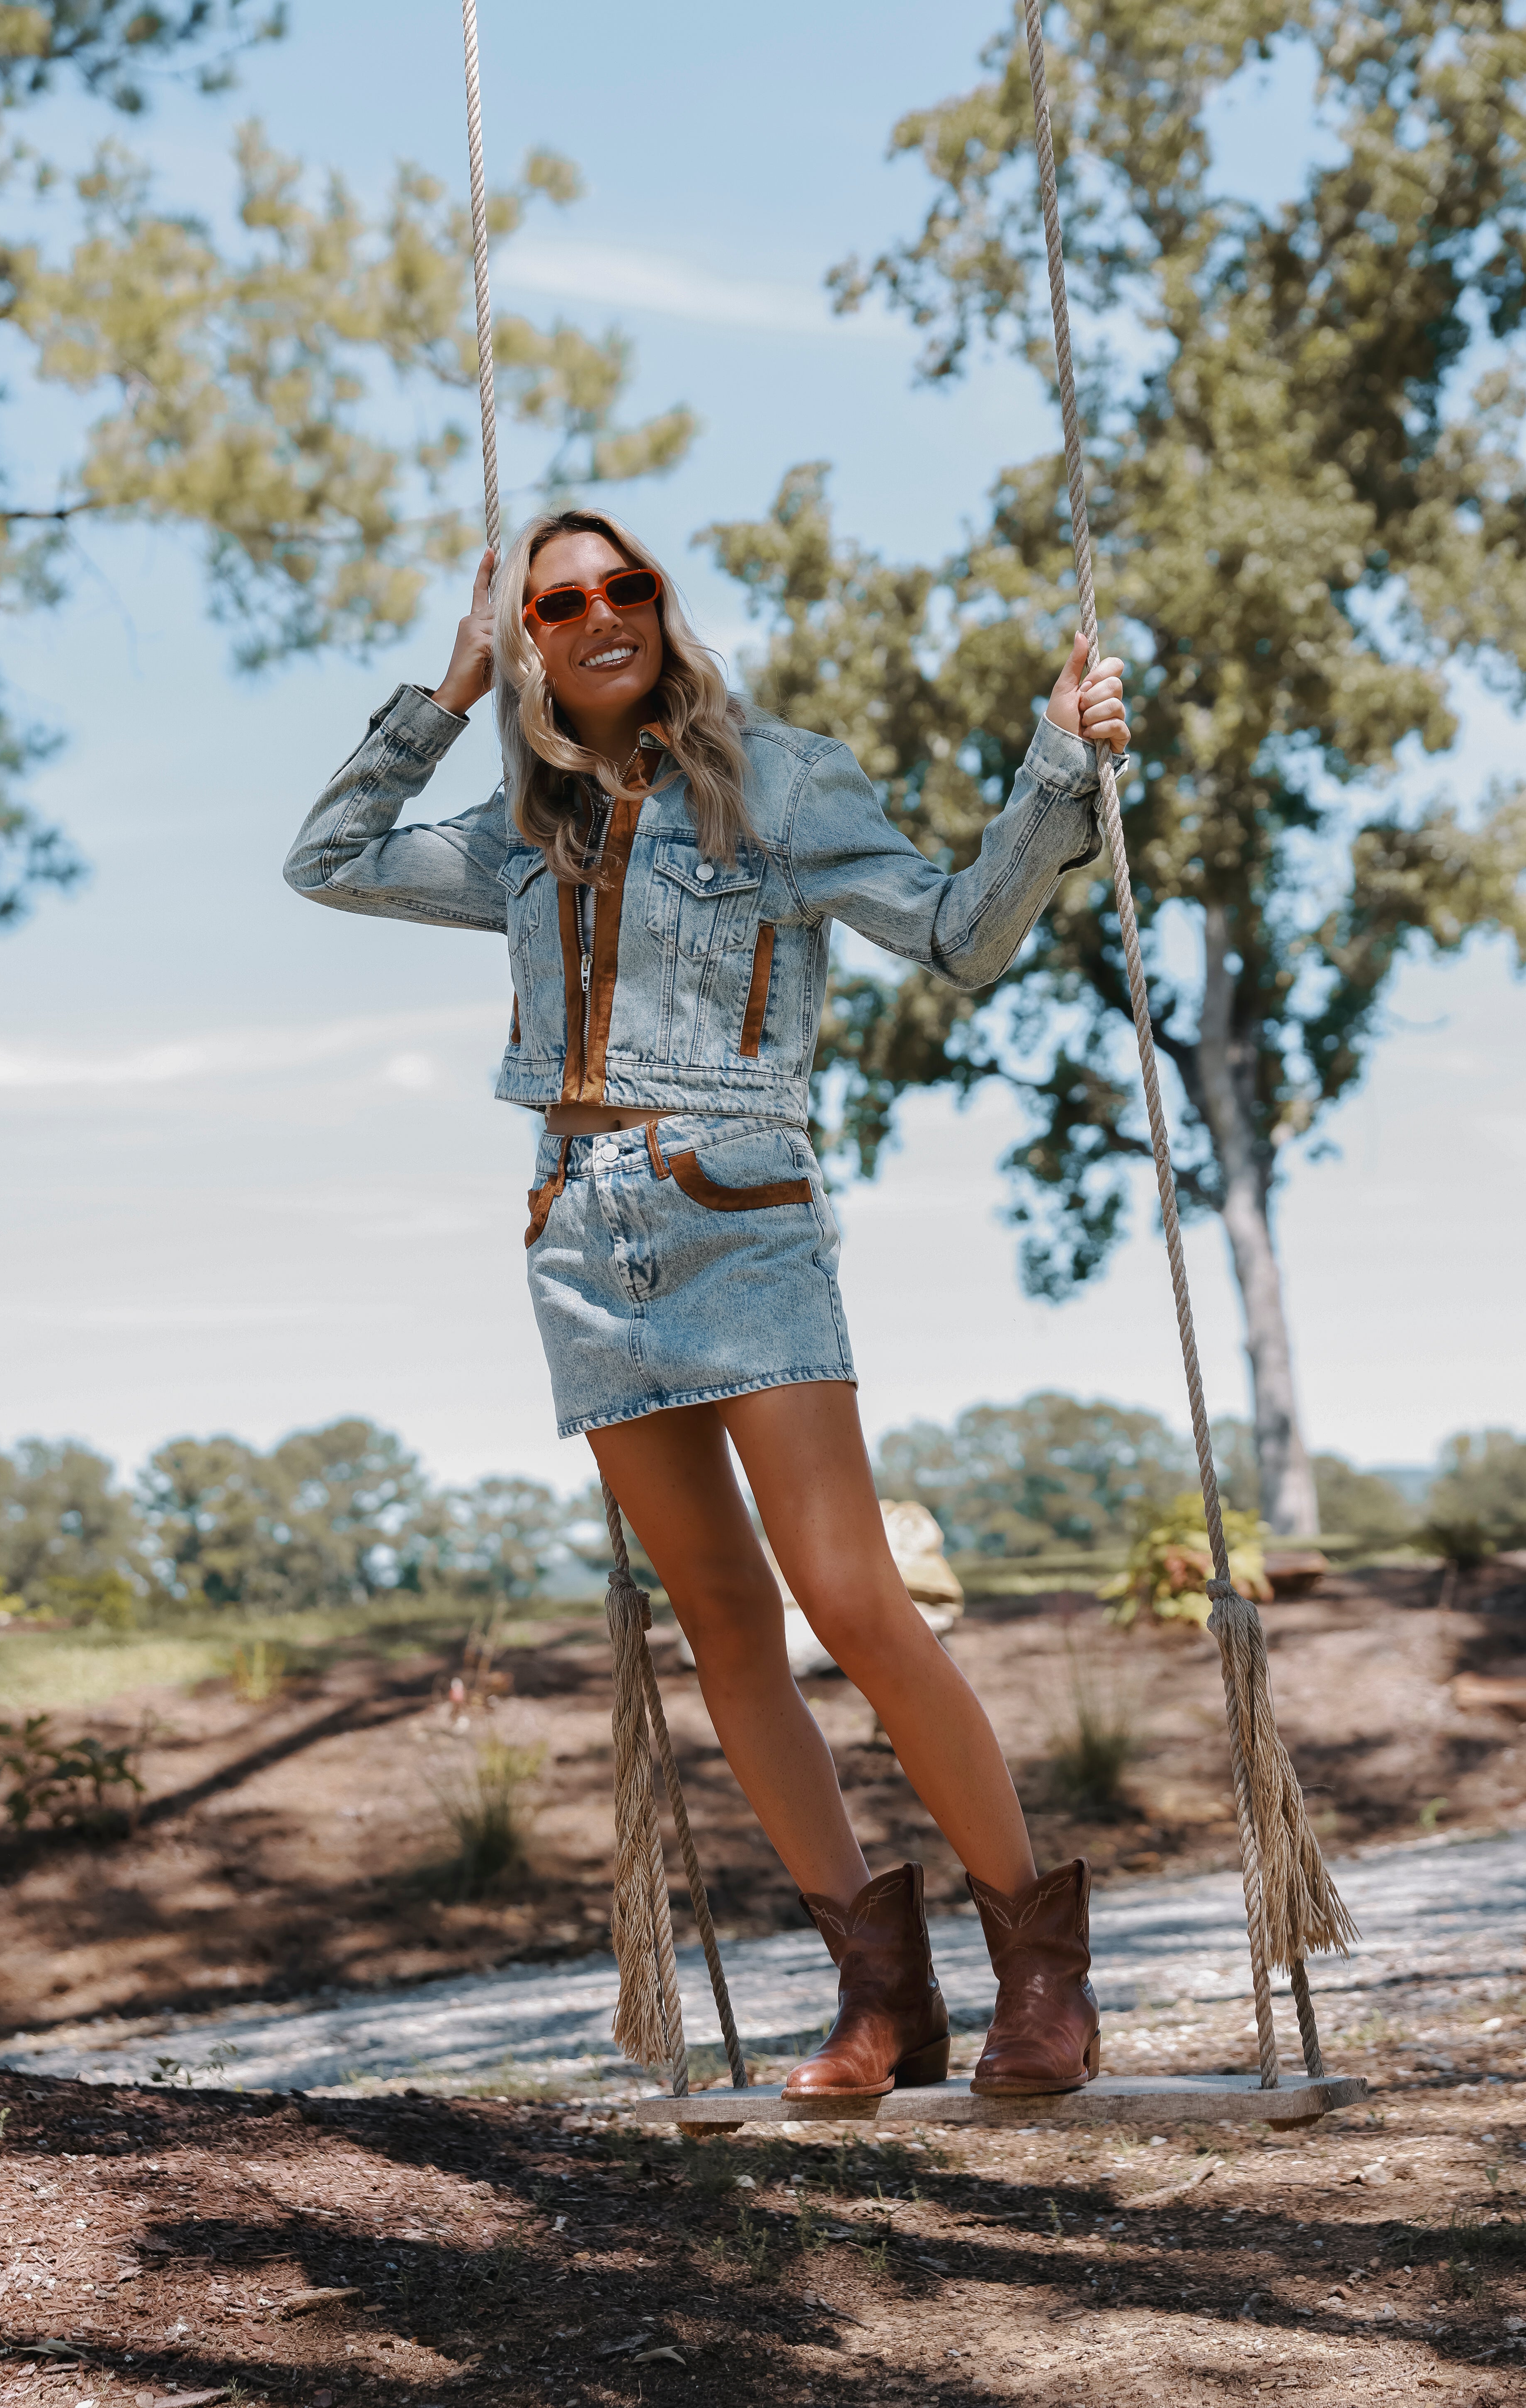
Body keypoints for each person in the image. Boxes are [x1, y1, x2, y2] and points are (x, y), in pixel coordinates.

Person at [284, 508, 1131, 2100]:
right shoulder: (516, 829)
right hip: (578, 1242)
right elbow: (326, 859)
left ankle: (1041, 1970)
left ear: (665, 607)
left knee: (851, 1601)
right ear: (529, 640)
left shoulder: (780, 782)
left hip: (741, 1219)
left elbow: (961, 939)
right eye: (559, 605)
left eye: (628, 587)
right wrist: (449, 691)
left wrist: (1056, 772)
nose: (602, 614)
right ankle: (882, 1995)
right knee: (727, 1635)